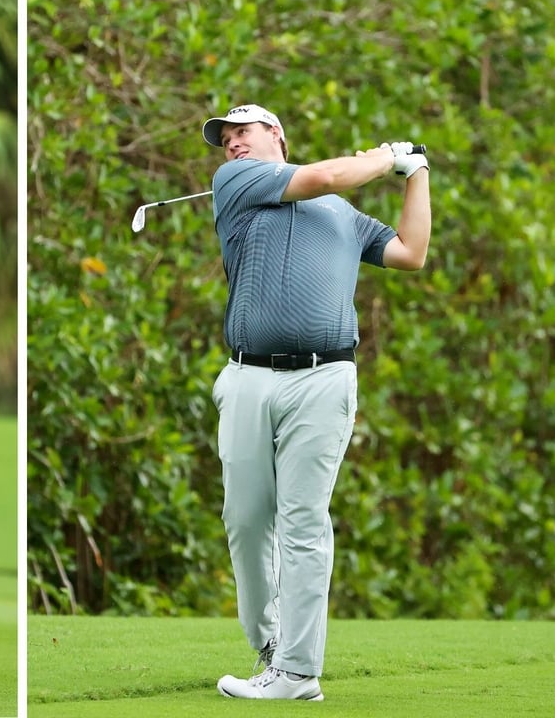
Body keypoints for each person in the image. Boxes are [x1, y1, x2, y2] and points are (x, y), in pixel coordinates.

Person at [203, 105, 431, 701]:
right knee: (247, 522)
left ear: (275, 135)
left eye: (241, 134)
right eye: (224, 141)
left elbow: (411, 252)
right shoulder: (238, 185)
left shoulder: (344, 216)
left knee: (304, 522)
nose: (231, 146)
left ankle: (299, 673)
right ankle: (271, 645)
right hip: (249, 376)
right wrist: (382, 156)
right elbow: (326, 176)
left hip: (324, 378)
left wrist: (417, 173)